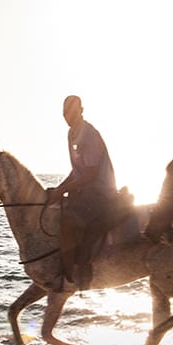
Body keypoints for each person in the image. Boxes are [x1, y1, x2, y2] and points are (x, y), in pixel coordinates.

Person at [46, 95, 118, 290]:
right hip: (85, 189)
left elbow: (91, 173)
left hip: (100, 190)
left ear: (81, 110)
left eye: (71, 112)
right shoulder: (72, 134)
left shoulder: (89, 133)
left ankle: (80, 271)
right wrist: (59, 189)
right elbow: (77, 170)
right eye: (64, 113)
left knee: (71, 220)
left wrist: (62, 190)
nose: (67, 116)